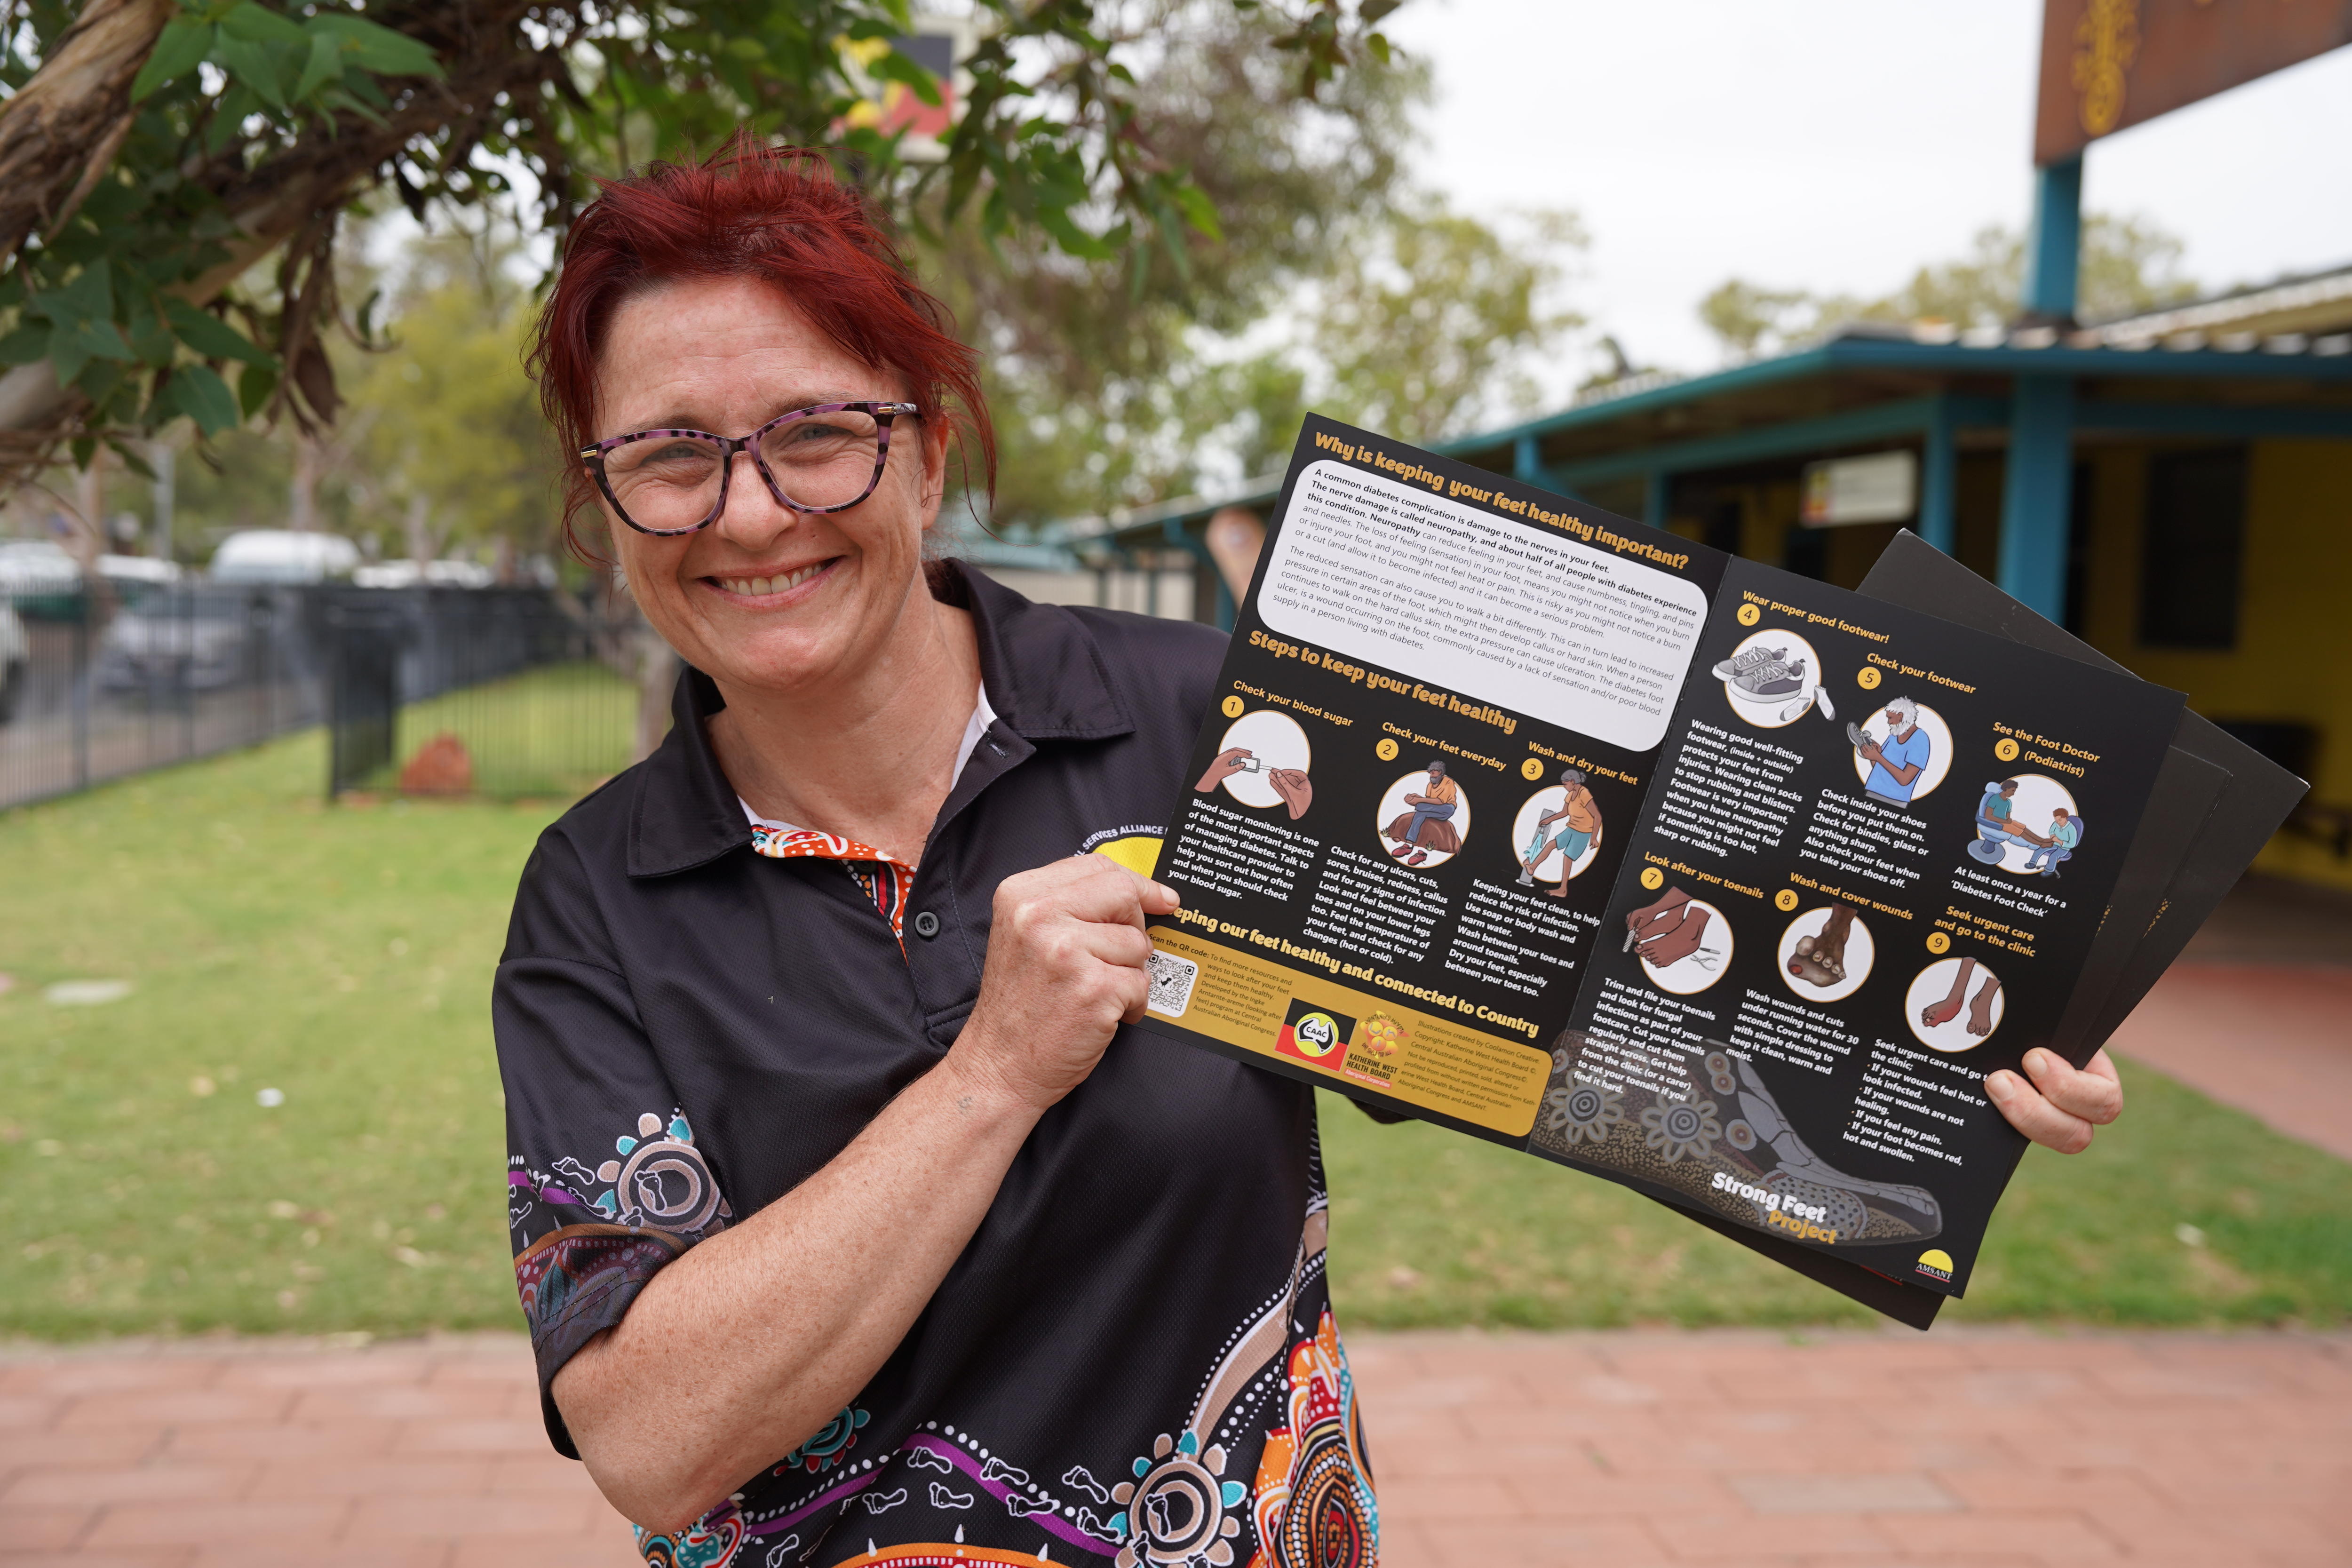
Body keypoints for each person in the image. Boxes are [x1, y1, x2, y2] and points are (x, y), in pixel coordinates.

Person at [492, 137, 2132, 1568]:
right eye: (671, 455)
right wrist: (993, 1072)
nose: (754, 511)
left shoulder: (1211, 720)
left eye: (814, 431)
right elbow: (647, 1435)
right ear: (606, 509)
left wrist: (1946, 1021)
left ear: (925, 453)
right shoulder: (597, 894)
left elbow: (1569, 997)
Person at [1518, 767, 1600, 897]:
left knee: (1568, 858)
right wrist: (1548, 820)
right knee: (1551, 845)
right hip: (1571, 828)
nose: (1564, 787)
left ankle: (1563, 889)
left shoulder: (1584, 794)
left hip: (1583, 832)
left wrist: (1594, 838)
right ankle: (1532, 867)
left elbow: (1598, 816)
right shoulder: (1570, 795)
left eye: (1565, 784)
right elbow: (1564, 813)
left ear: (1573, 781)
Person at [1854, 696, 1932, 807]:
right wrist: (1874, 756)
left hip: (1895, 800)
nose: (1888, 722)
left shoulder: (1921, 739)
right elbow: (1880, 768)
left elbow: (1905, 780)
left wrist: (1878, 757)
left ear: (1901, 716)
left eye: (1890, 718)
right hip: (1873, 791)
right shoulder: (1894, 734)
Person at [1388, 758, 1457, 866]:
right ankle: (1409, 846)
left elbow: (1440, 802)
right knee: (1421, 812)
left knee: (1421, 806)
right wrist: (1416, 797)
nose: (1431, 774)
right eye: (1431, 772)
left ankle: (1416, 849)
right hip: (1433, 809)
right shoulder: (1430, 785)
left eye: (1434, 771)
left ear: (1441, 772)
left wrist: (1418, 801)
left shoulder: (1448, 782)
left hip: (1447, 809)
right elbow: (1429, 801)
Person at [2024, 807, 2082, 876]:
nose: (2058, 822)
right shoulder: (2056, 824)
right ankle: (2032, 863)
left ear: (2065, 818)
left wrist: (2059, 841)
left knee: (2054, 856)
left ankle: (2049, 870)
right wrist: (2052, 836)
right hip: (2054, 843)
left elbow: (2072, 844)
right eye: (2056, 820)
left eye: (2060, 820)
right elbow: (2051, 831)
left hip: (2064, 848)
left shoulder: (2071, 829)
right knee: (2040, 848)